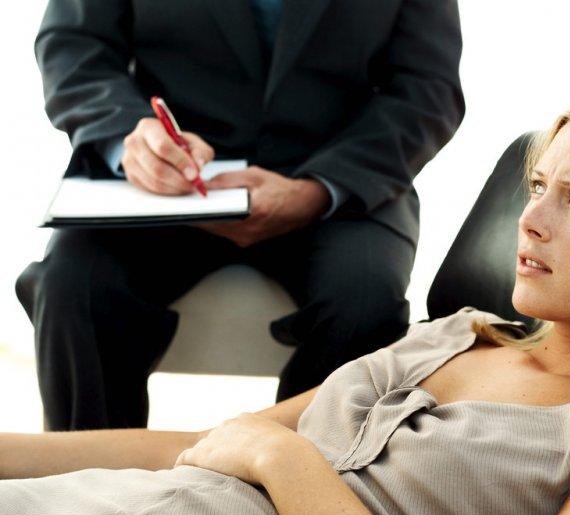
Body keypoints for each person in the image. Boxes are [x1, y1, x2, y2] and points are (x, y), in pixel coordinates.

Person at [0, 90, 570, 515]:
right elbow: (204, 445)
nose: (530, 220)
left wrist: (287, 463)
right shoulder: (460, 338)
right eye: (538, 186)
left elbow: (264, 447)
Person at [15, 0, 465, 431]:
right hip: (168, 179)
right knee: (73, 285)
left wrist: (318, 190)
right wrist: (128, 138)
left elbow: (428, 89)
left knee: (364, 301)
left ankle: (301, 476)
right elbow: (74, 45)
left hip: (340, 181)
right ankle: (91, 475)